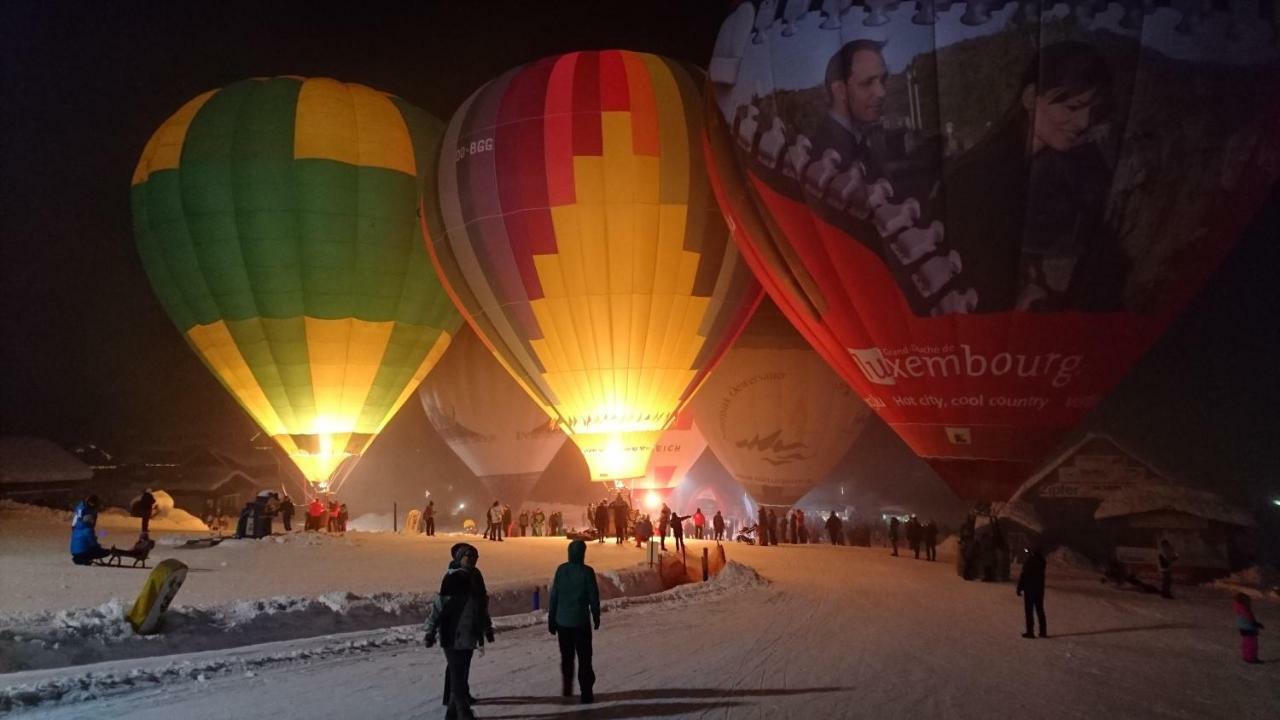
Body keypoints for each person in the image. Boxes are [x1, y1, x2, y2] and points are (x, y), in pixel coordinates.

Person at [943, 41, 1126, 315]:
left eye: (1091, 110)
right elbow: (971, 264)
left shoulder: (1043, 166)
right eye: (1072, 107)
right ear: (1030, 98)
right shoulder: (987, 175)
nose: (1084, 122)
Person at [423, 543, 494, 720]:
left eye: (474, 557)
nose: (471, 559)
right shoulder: (452, 579)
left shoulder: (475, 575)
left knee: (462, 671)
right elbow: (438, 607)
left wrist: (486, 627)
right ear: (459, 558)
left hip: (470, 633)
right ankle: (464, 712)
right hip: (452, 632)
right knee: (457, 674)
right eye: (468, 556)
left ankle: (452, 712)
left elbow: (481, 606)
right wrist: (430, 631)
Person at [810, 39, 888, 182]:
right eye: (867, 82)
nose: (881, 92)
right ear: (840, 90)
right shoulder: (827, 155)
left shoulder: (857, 139)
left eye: (883, 80)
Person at [549, 539, 601, 703]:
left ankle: (567, 687)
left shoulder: (561, 570)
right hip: (580, 622)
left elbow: (554, 596)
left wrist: (552, 619)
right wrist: (596, 614)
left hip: (562, 622)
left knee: (567, 656)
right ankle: (586, 692)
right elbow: (593, 596)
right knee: (585, 657)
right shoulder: (587, 572)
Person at [1017, 545, 1048, 639]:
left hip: (1029, 589)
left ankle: (1030, 632)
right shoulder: (1042, 561)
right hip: (1039, 589)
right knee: (1040, 610)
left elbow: (1024, 575)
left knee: (1029, 611)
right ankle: (1043, 632)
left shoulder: (1030, 561)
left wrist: (1019, 587)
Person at [70, 495, 110, 565]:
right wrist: (101, 549)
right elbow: (93, 544)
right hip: (83, 552)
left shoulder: (78, 527)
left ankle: (80, 558)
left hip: (74, 551)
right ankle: (84, 558)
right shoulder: (87, 529)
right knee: (98, 551)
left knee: (82, 543)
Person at [1233, 593, 1264, 664]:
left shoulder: (1239, 608)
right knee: (1252, 643)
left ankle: (1247, 656)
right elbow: (1249, 617)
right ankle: (1251, 658)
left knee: (1246, 642)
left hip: (1243, 627)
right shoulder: (1244, 609)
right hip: (1248, 627)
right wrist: (1255, 623)